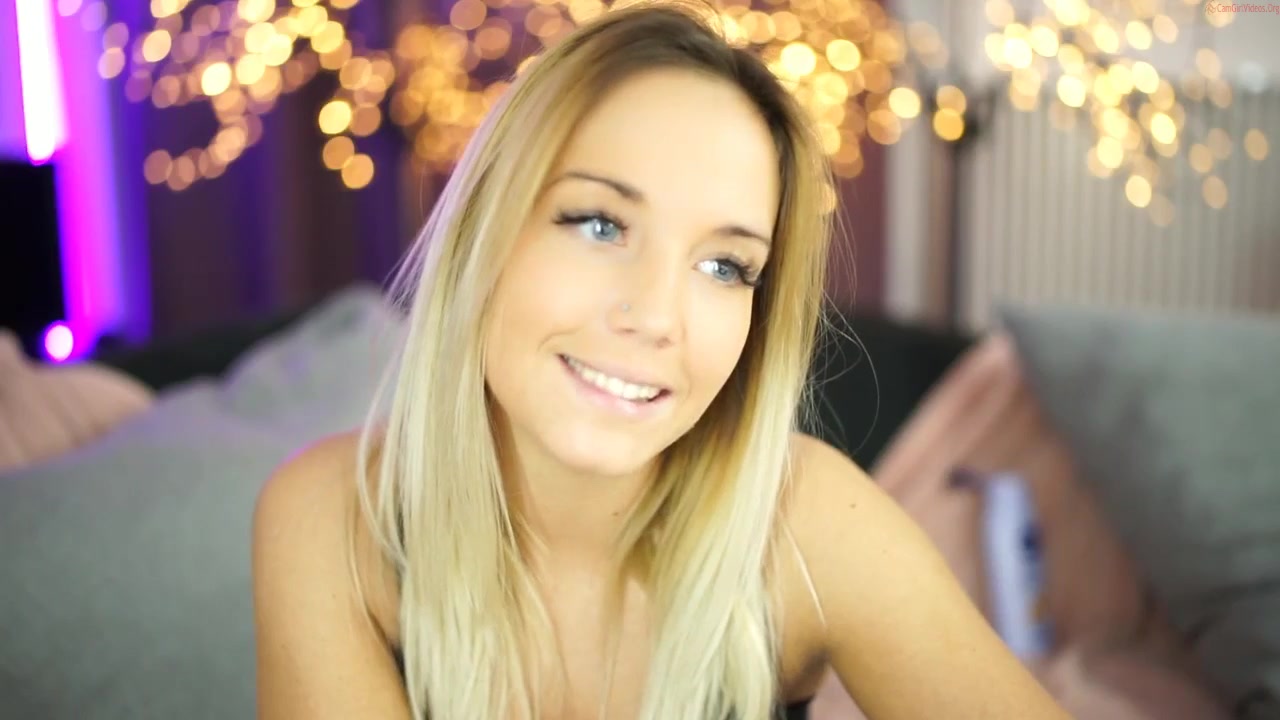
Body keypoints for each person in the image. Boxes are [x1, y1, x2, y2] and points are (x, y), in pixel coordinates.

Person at [251, 2, 1073, 718]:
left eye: (725, 266)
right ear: (482, 236)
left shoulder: (806, 526)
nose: (653, 317)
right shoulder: (332, 519)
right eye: (600, 224)